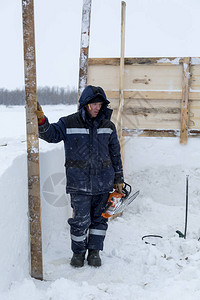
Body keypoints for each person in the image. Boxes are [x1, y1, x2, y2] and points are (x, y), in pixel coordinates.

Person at [36, 85, 124, 268]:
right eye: (93, 105)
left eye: (100, 104)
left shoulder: (108, 126)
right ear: (85, 104)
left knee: (99, 220)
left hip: (103, 183)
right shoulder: (69, 123)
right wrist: (41, 120)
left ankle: (94, 252)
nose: (97, 108)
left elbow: (115, 154)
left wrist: (118, 178)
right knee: (80, 221)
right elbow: (51, 135)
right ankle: (78, 253)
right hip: (79, 184)